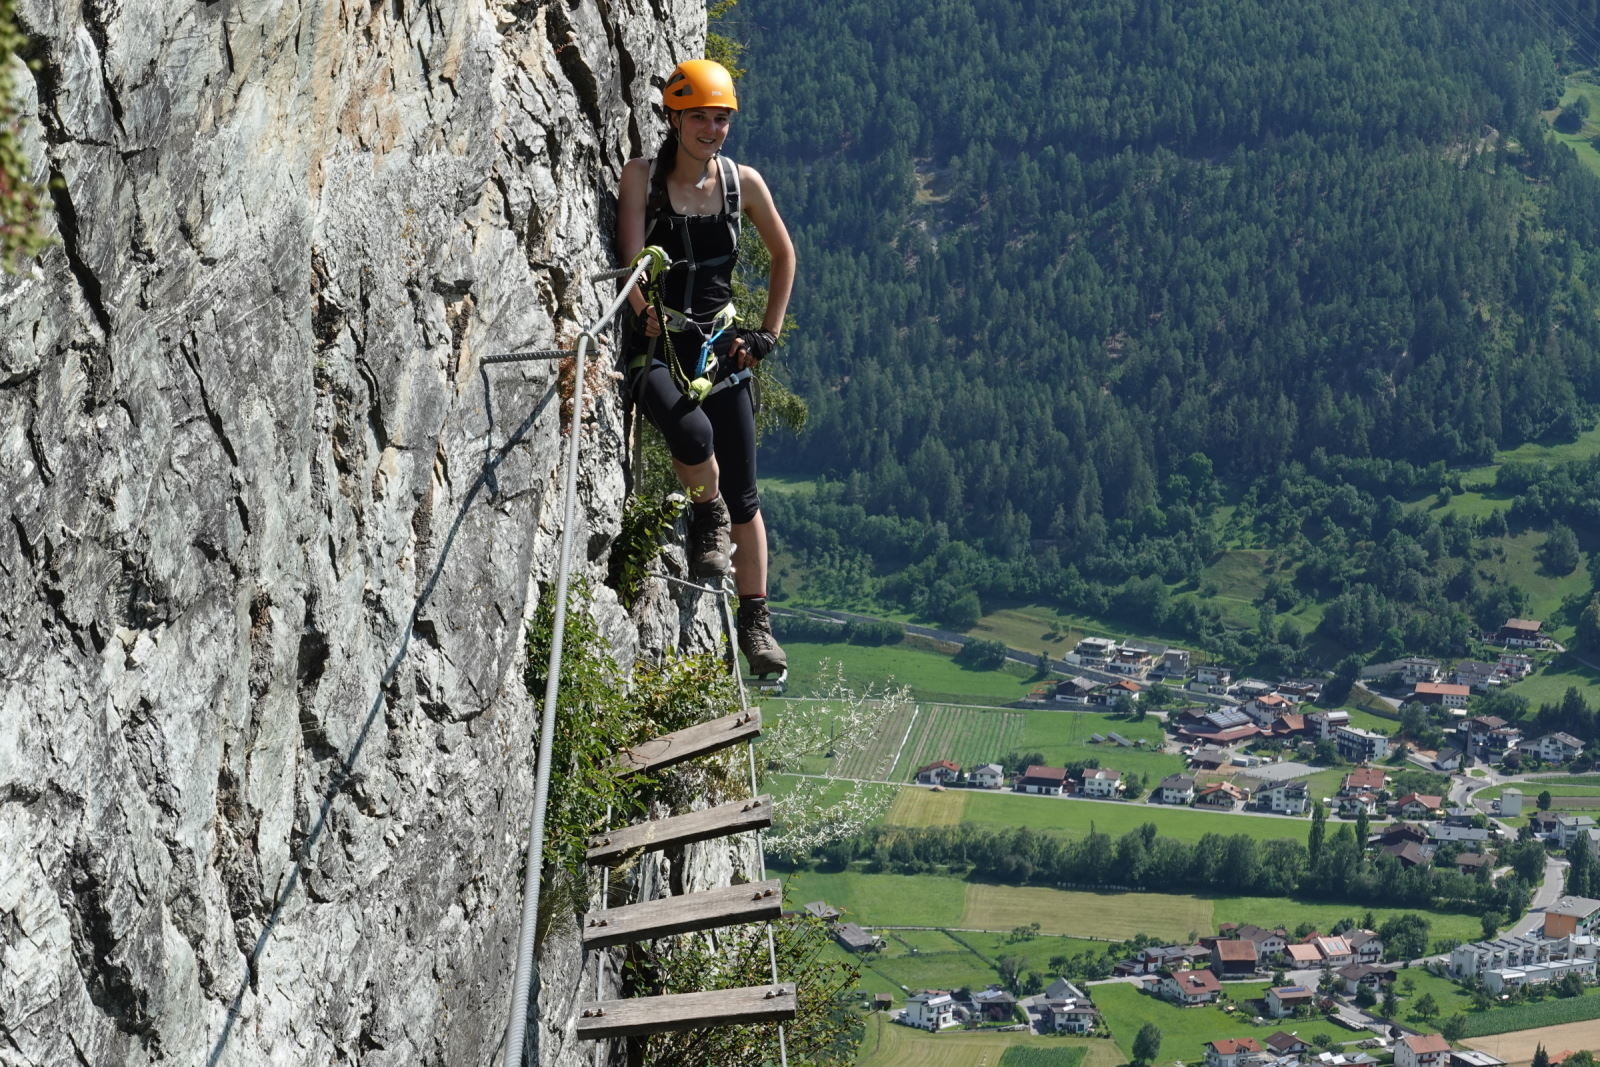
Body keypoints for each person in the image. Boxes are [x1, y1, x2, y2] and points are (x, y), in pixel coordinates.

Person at [617, 58, 795, 678]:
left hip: (721, 345)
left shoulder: (743, 184)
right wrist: (644, 313)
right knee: (694, 438)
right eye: (700, 118)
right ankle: (705, 513)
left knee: (747, 492)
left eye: (720, 119)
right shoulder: (642, 176)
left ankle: (756, 620)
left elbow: (783, 254)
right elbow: (633, 254)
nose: (712, 130)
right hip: (658, 341)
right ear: (674, 116)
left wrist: (764, 336)